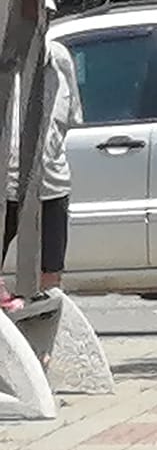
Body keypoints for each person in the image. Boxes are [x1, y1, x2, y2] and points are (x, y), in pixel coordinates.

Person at [4, 35, 80, 304]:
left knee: (50, 283)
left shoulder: (59, 59)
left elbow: (69, 118)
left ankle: (42, 325)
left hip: (51, 184)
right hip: (7, 187)